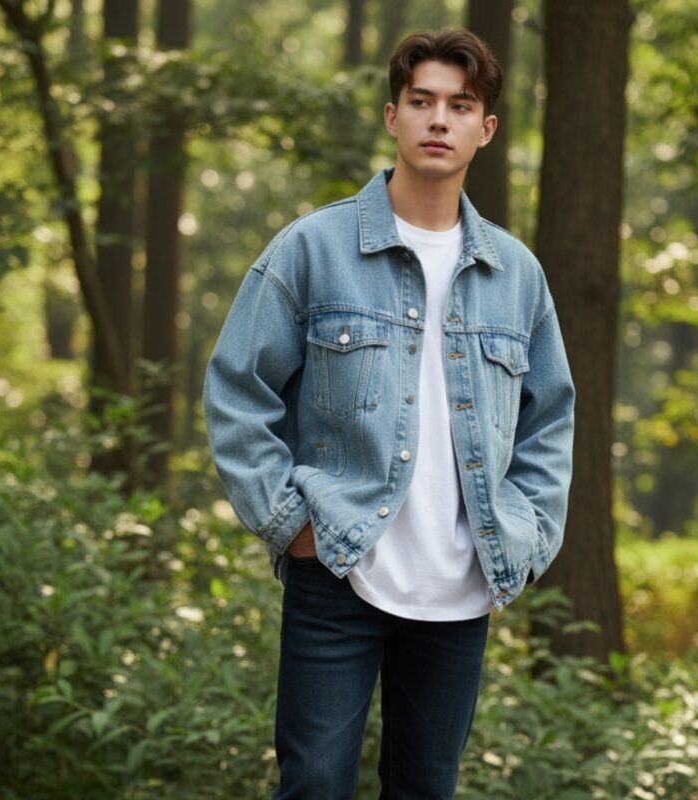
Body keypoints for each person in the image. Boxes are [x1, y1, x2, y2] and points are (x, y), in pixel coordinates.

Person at [204, 28, 575, 800]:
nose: (439, 119)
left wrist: (528, 532)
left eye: (460, 105)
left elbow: (551, 422)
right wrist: (290, 523)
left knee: (425, 790)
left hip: (460, 587)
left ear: (486, 128)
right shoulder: (313, 248)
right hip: (338, 569)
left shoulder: (518, 275)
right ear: (393, 117)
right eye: (422, 101)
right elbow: (238, 389)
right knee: (312, 787)